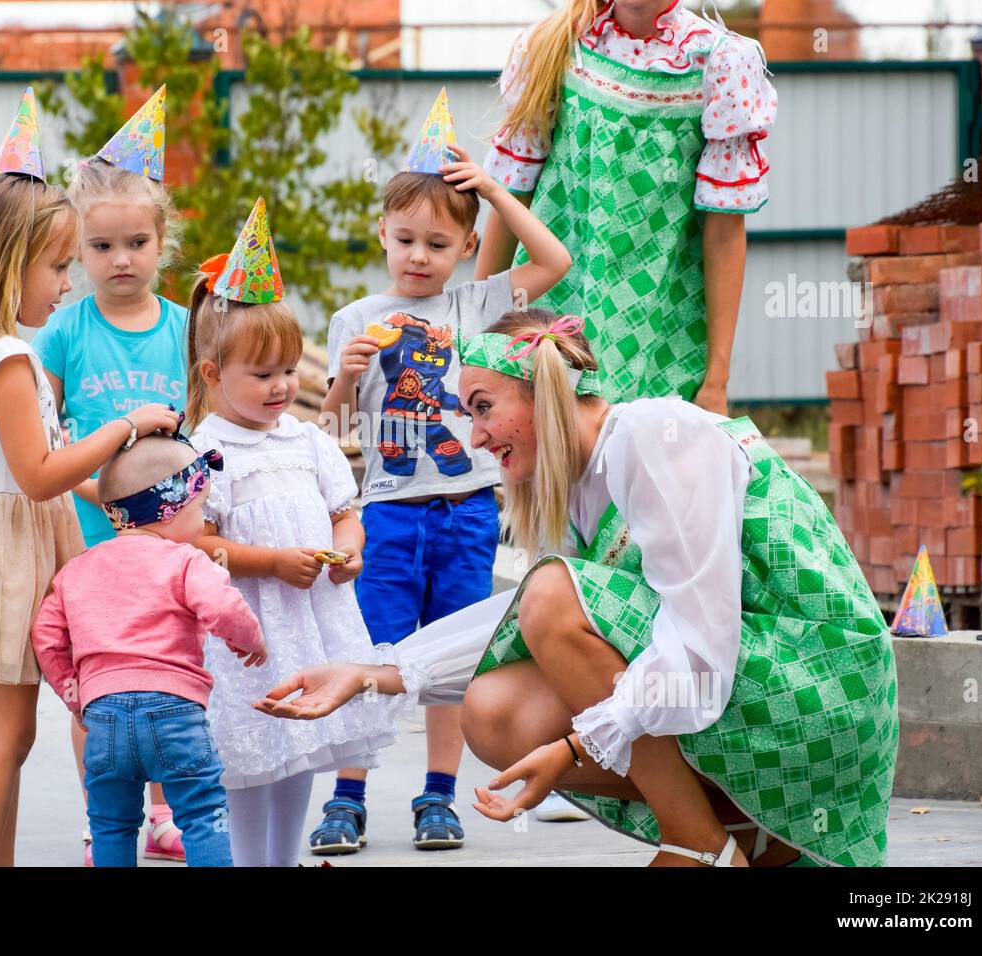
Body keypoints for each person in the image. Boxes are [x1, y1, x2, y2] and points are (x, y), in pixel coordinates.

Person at [258, 309, 899, 868]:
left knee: (550, 596)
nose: (474, 436)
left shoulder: (656, 436)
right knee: (494, 709)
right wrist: (373, 672)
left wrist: (577, 745)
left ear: (543, 389)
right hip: (755, 682)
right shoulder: (579, 488)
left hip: (817, 681)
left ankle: (695, 842)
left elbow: (702, 648)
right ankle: (737, 835)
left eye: (483, 407)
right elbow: (522, 620)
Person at [0, 89, 180, 866]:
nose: (66, 284)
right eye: (58, 265)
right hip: (11, 555)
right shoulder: (11, 359)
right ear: (4, 265)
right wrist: (125, 428)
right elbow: (36, 476)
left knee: (13, 734)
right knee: (5, 740)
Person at [315, 88, 570, 853]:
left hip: (466, 508)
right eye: (405, 240)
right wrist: (342, 375)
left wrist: (493, 189)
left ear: (465, 248)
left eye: (436, 243)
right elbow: (330, 425)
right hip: (390, 511)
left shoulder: (478, 308)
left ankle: (437, 797)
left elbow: (555, 260)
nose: (418, 256)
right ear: (383, 237)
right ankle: (348, 797)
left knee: (450, 660)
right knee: (375, 655)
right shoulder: (355, 320)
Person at [187, 199, 397, 867]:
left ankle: (284, 859)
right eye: (264, 374)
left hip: (312, 622)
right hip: (250, 631)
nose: (283, 387)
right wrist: (270, 561)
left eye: (289, 369)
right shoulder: (205, 451)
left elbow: (345, 508)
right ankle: (252, 860)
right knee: (253, 750)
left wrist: (351, 549)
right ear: (213, 375)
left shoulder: (307, 439)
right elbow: (194, 543)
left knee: (303, 743)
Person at [477, 0, 778, 417]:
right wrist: (477, 329)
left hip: (662, 337)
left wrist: (716, 380)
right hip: (548, 323)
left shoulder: (720, 64)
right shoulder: (554, 48)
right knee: (546, 470)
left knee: (640, 471)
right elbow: (512, 198)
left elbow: (724, 232)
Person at [34, 89, 192, 864]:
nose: (120, 260)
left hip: (172, 542)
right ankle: (109, 819)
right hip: (92, 537)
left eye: (136, 242)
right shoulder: (65, 329)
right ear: (78, 251)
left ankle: (165, 810)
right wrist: (86, 493)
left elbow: (206, 431)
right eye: (101, 248)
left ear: (163, 241)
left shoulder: (184, 330)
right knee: (98, 687)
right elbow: (42, 431)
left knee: (167, 677)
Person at [32, 432, 268, 866]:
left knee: (110, 822)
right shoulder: (187, 560)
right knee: (202, 815)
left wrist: (74, 693)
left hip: (102, 717)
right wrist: (249, 639)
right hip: (174, 711)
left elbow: (46, 634)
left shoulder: (78, 568)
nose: (201, 523)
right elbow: (221, 606)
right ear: (171, 509)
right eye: (198, 511)